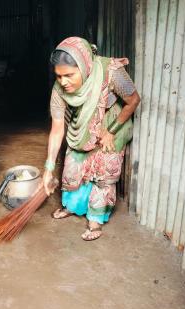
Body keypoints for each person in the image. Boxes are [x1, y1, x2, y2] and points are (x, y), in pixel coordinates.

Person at [43, 37, 140, 241]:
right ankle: (73, 207)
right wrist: (48, 168)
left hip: (112, 123)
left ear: (84, 66)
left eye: (69, 75)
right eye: (59, 76)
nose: (63, 82)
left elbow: (133, 101)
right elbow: (57, 129)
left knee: (103, 172)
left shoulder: (110, 72)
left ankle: (95, 219)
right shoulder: (58, 90)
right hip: (83, 124)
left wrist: (111, 131)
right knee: (73, 166)